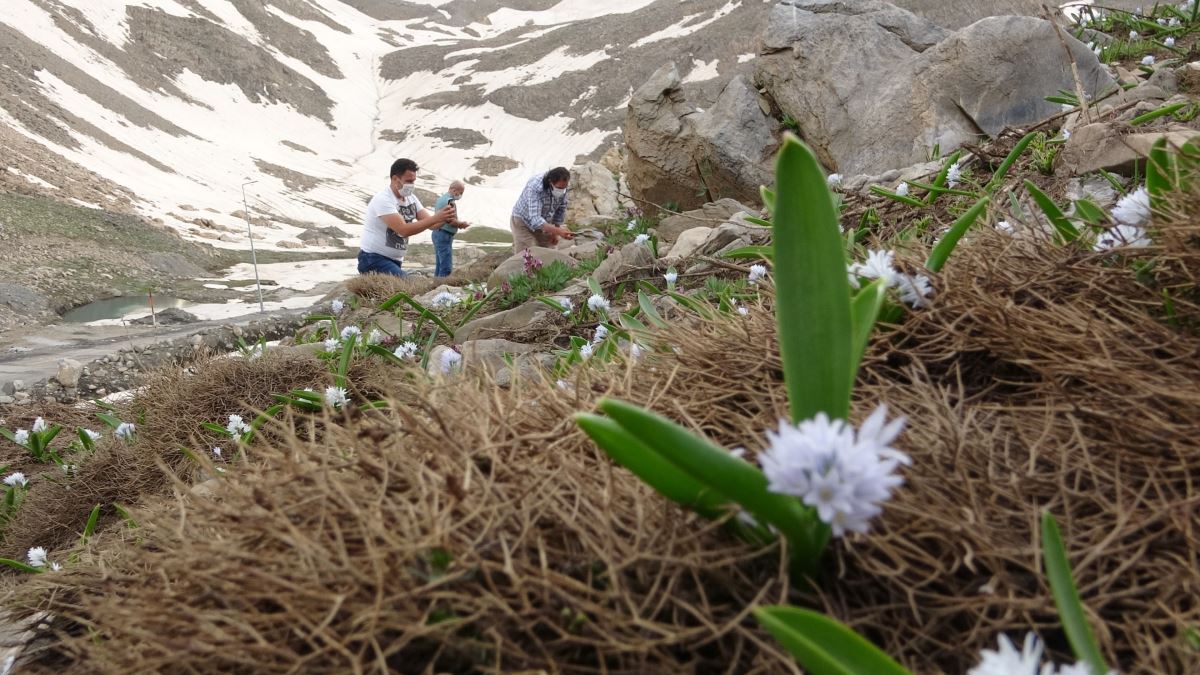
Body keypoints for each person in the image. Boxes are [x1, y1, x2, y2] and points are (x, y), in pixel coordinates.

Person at [357, 158, 456, 277]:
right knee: (408, 286)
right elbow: (403, 230)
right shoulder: (383, 199)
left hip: (395, 261)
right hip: (373, 259)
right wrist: (437, 217)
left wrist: (445, 217)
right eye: (408, 181)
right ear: (395, 179)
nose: (411, 185)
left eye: (413, 181)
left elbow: (432, 225)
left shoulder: (411, 198)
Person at [511, 167, 573, 252]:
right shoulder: (535, 187)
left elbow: (560, 210)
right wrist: (559, 231)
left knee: (551, 251)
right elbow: (535, 219)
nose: (562, 191)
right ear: (550, 182)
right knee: (527, 254)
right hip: (522, 221)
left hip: (544, 222)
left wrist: (555, 233)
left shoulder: (564, 186)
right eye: (559, 188)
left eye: (564, 188)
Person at [431, 180, 471, 277]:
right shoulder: (449, 200)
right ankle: (442, 288)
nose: (460, 195)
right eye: (460, 192)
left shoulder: (441, 199)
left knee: (439, 264)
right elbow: (450, 220)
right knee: (446, 266)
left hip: (438, 232)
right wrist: (462, 224)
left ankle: (435, 286)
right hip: (444, 234)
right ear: (453, 190)